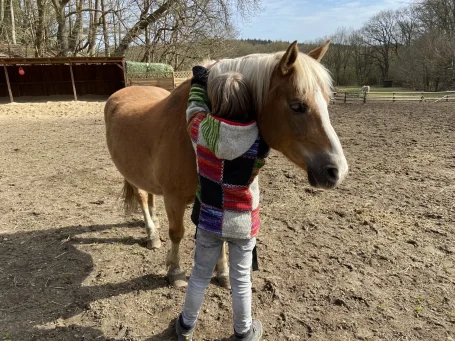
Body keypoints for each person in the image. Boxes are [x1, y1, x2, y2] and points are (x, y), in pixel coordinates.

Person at [175, 65, 270, 341]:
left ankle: (186, 326)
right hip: (244, 224)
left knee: (199, 276)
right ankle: (243, 332)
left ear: (215, 103)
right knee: (241, 281)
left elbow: (193, 109)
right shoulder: (261, 140)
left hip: (209, 220)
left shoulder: (202, 131)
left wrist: (199, 82)